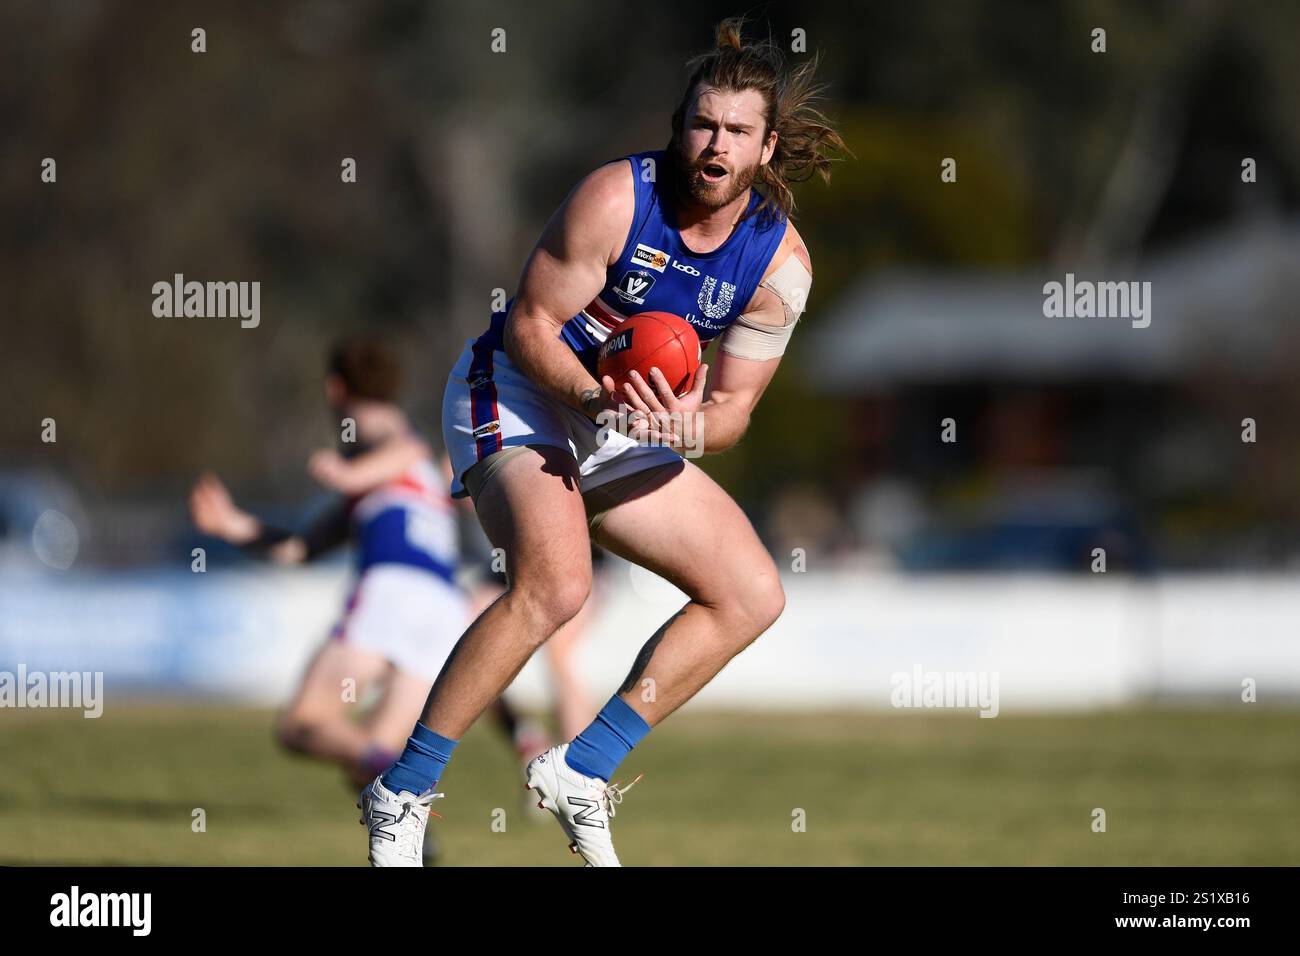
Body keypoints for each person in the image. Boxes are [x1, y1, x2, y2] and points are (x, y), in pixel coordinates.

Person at [360, 18, 845, 866]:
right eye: (702, 123)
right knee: (556, 586)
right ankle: (401, 791)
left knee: (751, 592)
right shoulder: (618, 197)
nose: (714, 144)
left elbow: (731, 411)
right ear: (679, 124)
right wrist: (596, 397)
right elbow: (530, 326)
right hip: (518, 392)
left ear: (767, 149)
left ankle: (582, 769)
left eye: (736, 131)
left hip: (622, 421)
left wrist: (681, 427)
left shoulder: (781, 267)